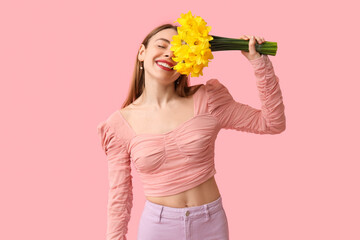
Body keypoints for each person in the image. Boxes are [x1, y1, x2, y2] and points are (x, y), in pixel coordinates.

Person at [97, 23, 286, 240]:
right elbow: (119, 197)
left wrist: (259, 64)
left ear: (187, 62)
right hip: (158, 229)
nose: (169, 53)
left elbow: (272, 122)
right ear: (142, 53)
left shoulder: (209, 100)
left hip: (211, 224)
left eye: (179, 50)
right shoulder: (119, 125)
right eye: (162, 45)